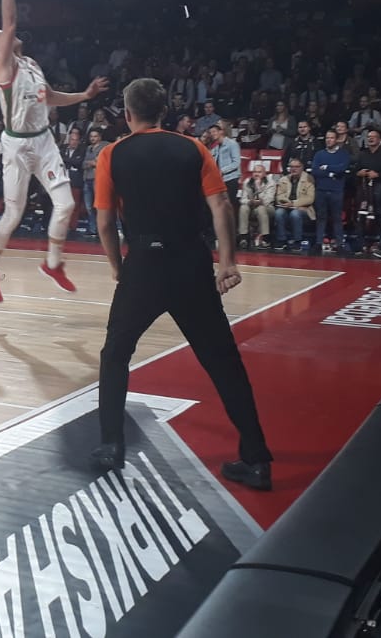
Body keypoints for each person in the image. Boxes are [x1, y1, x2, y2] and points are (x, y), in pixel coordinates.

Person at [91, 77, 273, 490]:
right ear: (163, 112)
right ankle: (257, 458)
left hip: (144, 264)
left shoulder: (112, 154)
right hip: (191, 263)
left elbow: (104, 222)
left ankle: (111, 446)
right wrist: (227, 262)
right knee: (223, 361)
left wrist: (118, 267)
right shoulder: (193, 148)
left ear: (127, 113)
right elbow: (221, 205)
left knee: (115, 354)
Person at [0, 0, 107, 302]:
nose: (7, 33)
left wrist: (84, 95)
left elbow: (50, 97)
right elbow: (10, 21)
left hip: (44, 140)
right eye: (0, 36)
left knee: (66, 205)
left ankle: (53, 263)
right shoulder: (2, 66)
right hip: (17, 146)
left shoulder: (32, 64)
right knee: (13, 214)